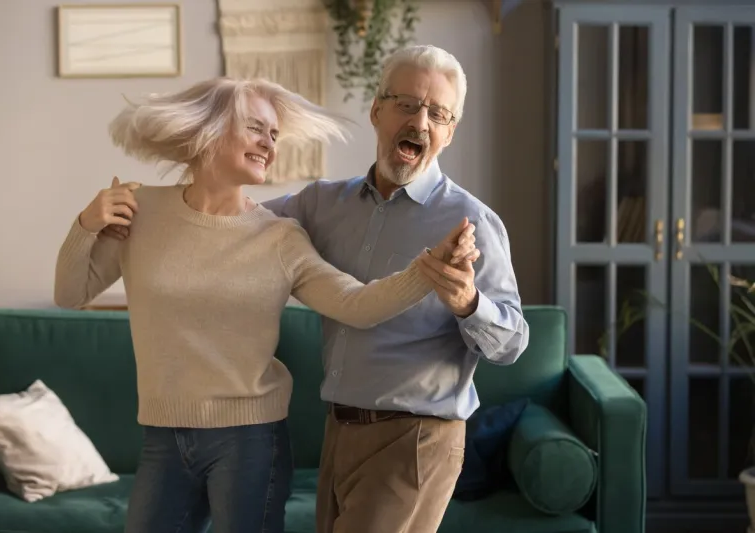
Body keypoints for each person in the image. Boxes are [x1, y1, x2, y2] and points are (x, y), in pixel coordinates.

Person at [54, 77, 479, 533]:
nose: (269, 144)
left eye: (274, 135)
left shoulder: (278, 236)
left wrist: (429, 270)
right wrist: (86, 224)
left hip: (249, 442)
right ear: (209, 127)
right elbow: (71, 293)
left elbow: (355, 304)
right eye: (256, 128)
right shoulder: (140, 210)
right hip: (163, 438)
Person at [263, 45, 530, 533]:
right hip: (339, 430)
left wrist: (468, 304)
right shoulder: (322, 204)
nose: (420, 122)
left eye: (438, 114)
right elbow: (236, 227)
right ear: (376, 111)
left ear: (449, 132)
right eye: (406, 104)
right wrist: (149, 208)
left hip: (416, 438)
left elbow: (513, 343)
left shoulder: (472, 221)